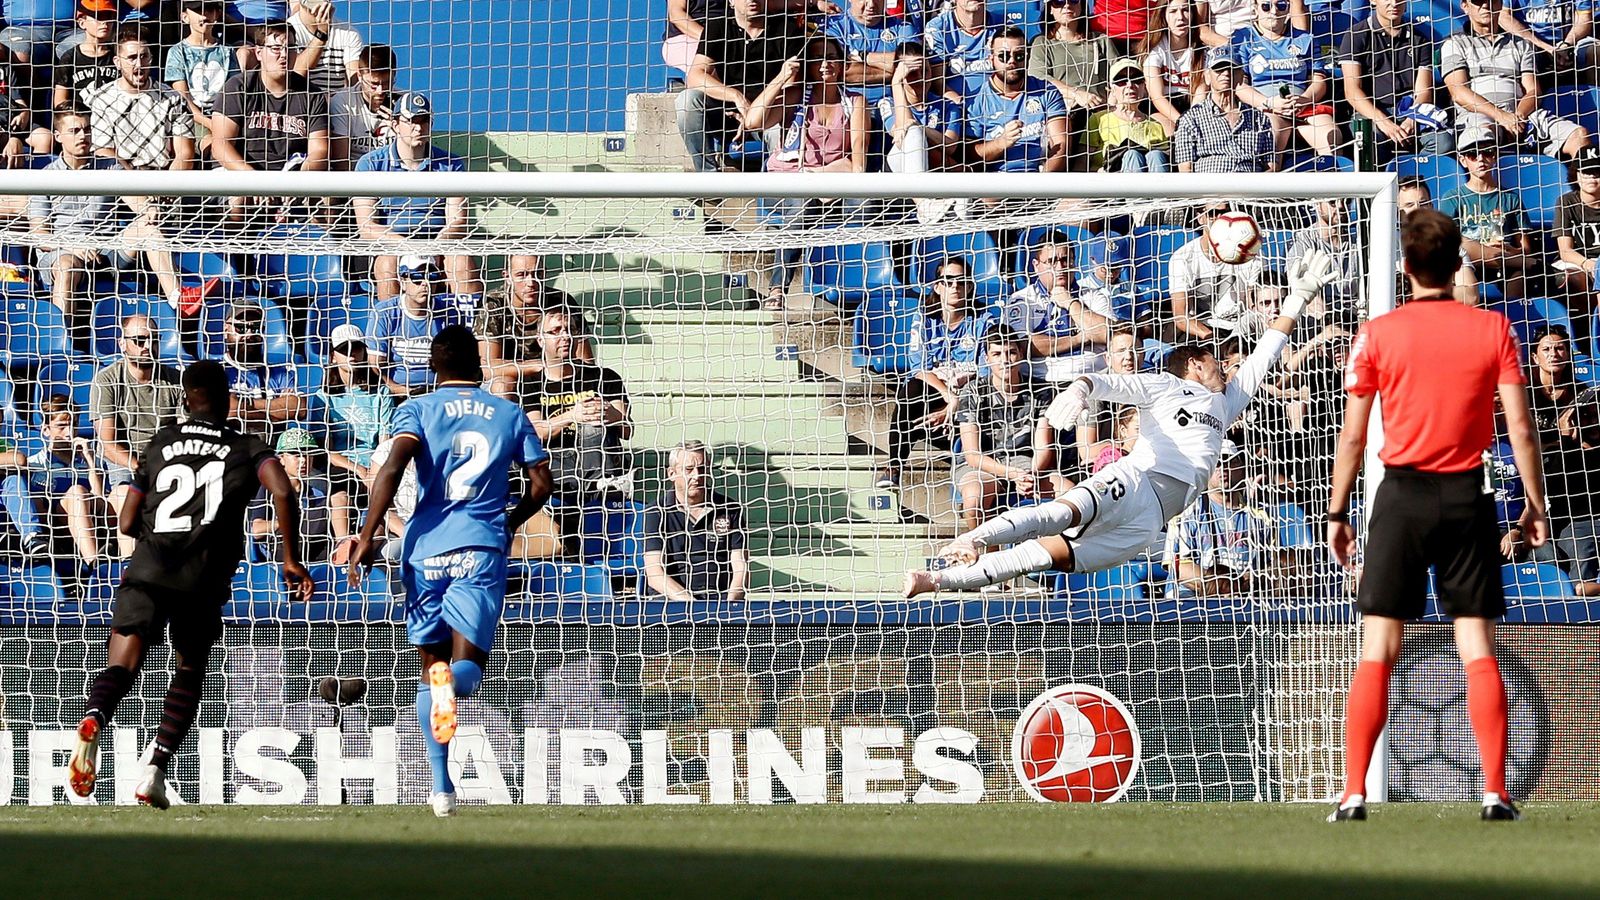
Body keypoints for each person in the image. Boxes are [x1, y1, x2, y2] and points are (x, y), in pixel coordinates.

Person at [900, 247, 1338, 598]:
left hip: (1153, 518)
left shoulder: (1227, 401)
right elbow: (1110, 381)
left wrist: (1298, 299)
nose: (1225, 367)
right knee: (1060, 512)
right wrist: (1080, 389)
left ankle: (936, 580)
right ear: (1195, 366)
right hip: (1135, 479)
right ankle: (974, 538)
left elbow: (1264, 355)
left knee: (1048, 556)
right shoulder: (1165, 386)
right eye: (1215, 361)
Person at [1325, 208, 1549, 823]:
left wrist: (1338, 510)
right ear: (1457, 264)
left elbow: (1352, 436)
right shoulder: (1493, 329)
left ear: (1405, 266)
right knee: (1475, 642)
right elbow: (1522, 426)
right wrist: (1534, 504)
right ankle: (1496, 791)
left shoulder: (1378, 333)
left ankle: (1352, 793)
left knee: (1379, 648)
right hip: (1466, 496)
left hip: (1399, 497)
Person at [66, 359, 313, 808]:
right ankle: (154, 771)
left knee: (122, 664)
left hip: (147, 569)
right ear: (228, 402)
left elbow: (124, 522)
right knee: (189, 670)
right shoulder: (248, 447)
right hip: (201, 578)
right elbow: (283, 490)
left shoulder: (159, 444)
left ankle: (96, 715)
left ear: (184, 399)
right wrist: (291, 559)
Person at [349, 325, 552, 818]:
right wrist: (508, 521)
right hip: (478, 549)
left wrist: (367, 533)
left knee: (432, 671)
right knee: (464, 675)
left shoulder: (416, 410)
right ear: (479, 366)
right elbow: (542, 483)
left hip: (422, 551)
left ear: (434, 368)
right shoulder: (508, 413)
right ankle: (443, 783)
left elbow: (391, 470)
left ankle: (441, 787)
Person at [29, 107, 189, 335]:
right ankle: (60, 339)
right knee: (66, 265)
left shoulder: (110, 168)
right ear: (57, 137)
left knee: (148, 228)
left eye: (86, 129)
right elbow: (39, 236)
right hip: (62, 253)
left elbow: (138, 203)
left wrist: (149, 208)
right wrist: (72, 247)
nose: (83, 136)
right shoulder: (43, 177)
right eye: (74, 131)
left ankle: (179, 300)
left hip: (105, 252)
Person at [744, 35, 869, 309]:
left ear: (842, 63)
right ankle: (778, 288)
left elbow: (857, 164)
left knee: (865, 200)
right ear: (807, 65)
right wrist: (780, 78)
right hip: (786, 182)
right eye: (817, 58)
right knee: (800, 201)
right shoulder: (795, 96)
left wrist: (818, 176)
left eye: (831, 57)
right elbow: (752, 121)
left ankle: (856, 280)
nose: (825, 64)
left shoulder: (855, 102)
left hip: (831, 183)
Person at [876, 256, 994, 490]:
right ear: (937, 286)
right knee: (910, 391)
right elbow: (919, 368)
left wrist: (956, 403)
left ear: (970, 286)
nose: (955, 287)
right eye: (948, 282)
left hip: (971, 400)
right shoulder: (924, 319)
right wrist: (948, 398)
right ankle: (894, 467)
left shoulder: (984, 320)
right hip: (937, 399)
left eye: (961, 282)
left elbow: (987, 369)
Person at [354, 91, 478, 300]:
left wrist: (435, 247)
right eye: (411, 121)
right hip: (393, 243)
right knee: (387, 265)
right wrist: (406, 246)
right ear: (395, 124)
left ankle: (467, 327)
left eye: (424, 120)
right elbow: (367, 227)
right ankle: (391, 328)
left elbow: (458, 221)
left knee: (461, 262)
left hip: (438, 242)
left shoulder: (451, 164)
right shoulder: (371, 164)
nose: (419, 128)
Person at [523, 305, 633, 536]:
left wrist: (607, 413)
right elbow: (535, 431)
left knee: (593, 424)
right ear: (540, 340)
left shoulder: (604, 376)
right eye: (555, 331)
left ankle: (600, 487)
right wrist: (572, 415)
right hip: (555, 463)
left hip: (596, 459)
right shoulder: (531, 384)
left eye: (569, 329)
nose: (564, 336)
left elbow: (627, 429)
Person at [1442, 0, 1591, 161]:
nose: (1485, 5)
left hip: (1522, 115)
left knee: (1579, 136)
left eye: (1492, 1)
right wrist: (1501, 116)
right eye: (1478, 1)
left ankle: (1583, 184)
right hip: (1478, 116)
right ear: (1465, 6)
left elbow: (1533, 91)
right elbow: (1459, 93)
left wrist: (1518, 116)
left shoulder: (1521, 44)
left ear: (1500, 5)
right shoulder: (1454, 43)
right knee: (1484, 138)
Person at [211, 21, 329, 221]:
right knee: (238, 202)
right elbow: (221, 146)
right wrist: (255, 181)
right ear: (258, 53)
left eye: (290, 48)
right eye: (275, 48)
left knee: (326, 202)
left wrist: (297, 182)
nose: (284, 55)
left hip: (291, 176)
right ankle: (237, 253)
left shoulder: (312, 95)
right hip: (242, 173)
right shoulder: (238, 87)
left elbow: (320, 150)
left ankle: (324, 251)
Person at [90, 314, 185, 559]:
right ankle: (128, 566)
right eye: (139, 340)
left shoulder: (175, 380)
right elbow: (108, 444)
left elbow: (186, 432)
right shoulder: (107, 380)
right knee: (125, 494)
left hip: (166, 460)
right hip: (124, 462)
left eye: (153, 340)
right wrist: (140, 465)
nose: (146, 347)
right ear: (123, 343)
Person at [675, 0, 805, 173]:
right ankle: (707, 179)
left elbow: (791, 87)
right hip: (726, 112)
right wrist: (736, 96)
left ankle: (777, 191)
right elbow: (695, 76)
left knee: (777, 131)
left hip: (769, 112)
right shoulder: (718, 27)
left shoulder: (788, 30)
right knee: (687, 101)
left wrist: (753, 116)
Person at [953, 325, 1058, 530]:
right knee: (974, 501)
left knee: (1069, 493)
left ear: (1020, 354)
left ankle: (1057, 557)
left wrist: (1029, 476)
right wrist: (1012, 474)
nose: (1004, 360)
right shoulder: (972, 392)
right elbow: (973, 455)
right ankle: (987, 555)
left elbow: (1044, 447)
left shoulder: (1042, 391)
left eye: (1010, 352)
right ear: (987, 358)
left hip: (1027, 463)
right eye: (997, 353)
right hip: (982, 465)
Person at [1339, 0, 1454, 165]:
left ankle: (1415, 181)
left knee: (1443, 142)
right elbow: (1352, 92)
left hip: (1409, 110)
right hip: (1372, 112)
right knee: (1369, 140)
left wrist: (1412, 118)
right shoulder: (1356, 35)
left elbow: (1423, 92)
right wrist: (1384, 122)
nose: (1394, 3)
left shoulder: (1420, 37)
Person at [0, 393, 106, 568]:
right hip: (57, 527)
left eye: (74, 425)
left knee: (121, 493)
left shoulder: (88, 462)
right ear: (46, 429)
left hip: (94, 521)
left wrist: (90, 461)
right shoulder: (35, 465)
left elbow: (100, 499)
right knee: (77, 492)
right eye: (62, 426)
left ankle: (128, 560)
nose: (70, 432)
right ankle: (95, 564)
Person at [308, 323, 395, 530]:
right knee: (341, 493)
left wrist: (373, 470)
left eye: (356, 348)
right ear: (332, 357)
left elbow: (384, 443)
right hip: (340, 466)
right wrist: (358, 469)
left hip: (374, 463)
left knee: (384, 497)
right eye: (343, 350)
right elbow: (323, 449)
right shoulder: (323, 397)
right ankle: (343, 546)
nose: (351, 355)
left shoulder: (380, 393)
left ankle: (371, 545)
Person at [1230, 0, 1342, 158]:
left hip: (1302, 107)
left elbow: (1319, 81)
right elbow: (1240, 87)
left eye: (1280, 5)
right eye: (1266, 6)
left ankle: (1332, 178)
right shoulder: (1242, 38)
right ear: (1255, 9)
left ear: (1288, 8)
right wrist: (1269, 103)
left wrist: (1304, 100)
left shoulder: (1305, 39)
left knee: (1331, 136)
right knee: (1271, 137)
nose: (1274, 11)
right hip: (1265, 107)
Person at [642, 440, 749, 604]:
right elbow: (655, 574)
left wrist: (729, 607)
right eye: (688, 469)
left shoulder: (731, 509)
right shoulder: (656, 511)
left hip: (719, 605)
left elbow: (741, 568)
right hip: (670, 606)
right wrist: (693, 607)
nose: (697, 476)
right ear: (671, 473)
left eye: (702, 468)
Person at [1163, 440, 1274, 597]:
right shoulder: (1186, 512)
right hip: (1191, 598)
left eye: (1230, 461)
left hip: (1246, 596)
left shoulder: (1261, 515)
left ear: (1241, 469)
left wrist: (1244, 584)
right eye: (1217, 462)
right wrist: (1222, 587)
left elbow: (1272, 565)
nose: (1224, 468)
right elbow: (1178, 567)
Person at [1438, 139, 1537, 300]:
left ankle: (1510, 318)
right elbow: (1449, 244)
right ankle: (1534, 265)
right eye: (1472, 155)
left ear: (1495, 156)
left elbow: (1525, 248)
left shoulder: (1511, 198)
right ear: (1463, 160)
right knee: (1461, 247)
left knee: (1519, 274)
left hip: (1506, 263)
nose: (1480, 159)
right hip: (1467, 264)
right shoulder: (1452, 198)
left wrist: (1511, 250)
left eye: (1487, 152)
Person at [478, 254, 588, 398]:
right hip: (512, 379)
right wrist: (537, 366)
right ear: (507, 277)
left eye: (538, 274)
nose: (531, 282)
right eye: (521, 275)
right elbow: (487, 368)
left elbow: (585, 361)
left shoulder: (562, 301)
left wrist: (553, 371)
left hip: (554, 378)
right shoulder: (494, 304)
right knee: (502, 386)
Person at [1003, 236, 1112, 379]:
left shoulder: (1094, 296)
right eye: (1051, 262)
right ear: (1036, 266)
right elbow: (1022, 345)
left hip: (1092, 379)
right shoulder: (1022, 299)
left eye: (1066, 260)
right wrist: (1079, 339)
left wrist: (1070, 303)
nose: (1060, 268)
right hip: (1040, 382)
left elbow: (1109, 334)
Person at [963, 27, 1069, 173]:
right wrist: (1000, 143)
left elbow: (1061, 146)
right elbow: (970, 155)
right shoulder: (975, 101)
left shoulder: (1046, 91)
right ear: (991, 59)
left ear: (1028, 57)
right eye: (1003, 56)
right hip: (995, 182)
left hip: (1041, 179)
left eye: (1019, 56)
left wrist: (1041, 185)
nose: (1012, 61)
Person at [368, 254, 477, 397]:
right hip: (397, 393)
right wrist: (403, 391)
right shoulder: (384, 312)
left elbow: (458, 364)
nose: (425, 283)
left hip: (441, 392)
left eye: (431, 276)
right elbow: (376, 366)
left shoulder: (450, 313)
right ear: (403, 281)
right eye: (418, 277)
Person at [93, 27, 197, 171]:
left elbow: (185, 154)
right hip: (121, 179)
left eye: (144, 56)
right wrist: (135, 187)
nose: (139, 64)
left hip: (165, 178)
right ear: (117, 62)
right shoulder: (102, 99)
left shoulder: (173, 99)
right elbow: (104, 151)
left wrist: (167, 189)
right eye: (132, 58)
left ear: (151, 58)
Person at [1168, 204, 1267, 341]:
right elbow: (1181, 316)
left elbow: (1255, 306)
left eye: (1225, 212)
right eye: (1213, 213)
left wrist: (1236, 337)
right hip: (1201, 330)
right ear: (1200, 217)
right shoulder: (1183, 257)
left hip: (1241, 327)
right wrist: (1211, 338)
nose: (1220, 219)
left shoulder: (1250, 253)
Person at [249, 427, 344, 564]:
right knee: (337, 498)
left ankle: (343, 546)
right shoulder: (269, 488)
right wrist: (284, 522)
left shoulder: (315, 491)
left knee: (340, 498)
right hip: (283, 548)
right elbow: (256, 530)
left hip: (316, 550)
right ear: (281, 459)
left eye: (307, 454)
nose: (303, 460)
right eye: (296, 454)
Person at [1173, 55, 1278, 173]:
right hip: (1210, 187)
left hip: (1250, 187)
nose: (1226, 73)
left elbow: (1271, 167)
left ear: (1240, 77)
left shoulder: (1259, 118)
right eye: (1219, 69)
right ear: (1207, 76)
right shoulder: (1191, 118)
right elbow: (1186, 170)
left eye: (1231, 69)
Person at [1397, 175, 1482, 304]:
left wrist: (1417, 294)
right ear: (1398, 212)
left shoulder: (1450, 245)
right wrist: (1447, 291)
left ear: (1431, 206)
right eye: (1409, 205)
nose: (1417, 209)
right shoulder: (1386, 248)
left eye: (1423, 203)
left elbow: (1471, 297)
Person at [823, 0, 921, 102]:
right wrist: (898, 72)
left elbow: (913, 63)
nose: (871, 5)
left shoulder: (902, 27)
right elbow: (842, 72)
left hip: (898, 104)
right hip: (850, 106)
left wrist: (865, 57)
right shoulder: (835, 28)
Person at [1028, 0, 1115, 112]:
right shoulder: (1042, 43)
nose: (1067, 5)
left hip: (1102, 111)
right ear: (1050, 8)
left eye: (1073, 0)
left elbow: (1119, 72)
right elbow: (1038, 76)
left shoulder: (1100, 40)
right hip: (1064, 113)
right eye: (1058, 2)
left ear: (1082, 6)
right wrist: (1076, 94)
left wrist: (1114, 97)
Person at [1087, 57, 1171, 172]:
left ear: (1144, 87)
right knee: (1132, 155)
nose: (1130, 84)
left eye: (1136, 79)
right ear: (1111, 89)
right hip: (1109, 184)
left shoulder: (1156, 125)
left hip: (1153, 181)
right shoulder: (1099, 120)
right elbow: (1081, 164)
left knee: (1156, 155)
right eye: (1121, 81)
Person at [165, 0, 236, 135]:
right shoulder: (176, 52)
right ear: (185, 17)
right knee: (210, 143)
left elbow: (233, 92)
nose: (204, 16)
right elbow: (183, 98)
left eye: (209, 10)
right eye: (198, 10)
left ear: (218, 15)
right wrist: (210, 124)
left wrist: (223, 122)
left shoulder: (227, 51)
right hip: (191, 117)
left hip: (224, 116)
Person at [1555, 146, 1600, 354]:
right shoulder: (1566, 202)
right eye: (1586, 172)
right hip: (1578, 261)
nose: (1592, 177)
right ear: (1577, 175)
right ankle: (1584, 346)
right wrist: (1588, 264)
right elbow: (1565, 251)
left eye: (1597, 172)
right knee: (1572, 279)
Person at [1287, 199, 1363, 313]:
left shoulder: (1358, 241)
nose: (1341, 206)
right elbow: (1301, 290)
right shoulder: (1304, 240)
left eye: (1347, 201)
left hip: (1354, 315)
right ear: (1317, 204)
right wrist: (1330, 324)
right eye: (1332, 202)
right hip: (1319, 319)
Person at [1141, 0, 1207, 132]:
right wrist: (1181, 121)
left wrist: (1192, 120)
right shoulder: (1155, 50)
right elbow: (1157, 96)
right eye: (1173, 11)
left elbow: (1201, 91)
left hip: (1193, 107)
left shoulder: (1202, 50)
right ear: (1163, 16)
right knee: (1170, 131)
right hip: (1161, 108)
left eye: (1185, 10)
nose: (1180, 17)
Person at [329, 42, 395, 168]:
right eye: (373, 84)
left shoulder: (403, 104)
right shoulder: (343, 102)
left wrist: (401, 128)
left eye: (387, 83)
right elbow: (341, 163)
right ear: (359, 76)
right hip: (354, 181)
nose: (380, 91)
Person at [924, 0, 1003, 94]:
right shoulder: (938, 28)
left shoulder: (1003, 25)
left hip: (996, 102)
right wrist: (959, 102)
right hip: (954, 104)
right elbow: (938, 84)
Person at [288, 0, 363, 94]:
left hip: (336, 105)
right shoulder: (287, 32)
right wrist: (321, 35)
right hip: (302, 103)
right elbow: (294, 75)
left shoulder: (349, 33)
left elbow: (355, 84)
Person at [1526, 323, 1578, 445]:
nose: (1553, 354)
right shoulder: (1522, 390)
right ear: (1535, 358)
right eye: (1546, 349)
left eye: (1559, 348)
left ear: (1568, 354)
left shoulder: (1578, 392)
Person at [663, 0, 730, 78]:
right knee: (710, 72)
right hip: (685, 38)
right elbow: (676, 15)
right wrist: (709, 38)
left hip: (726, 36)